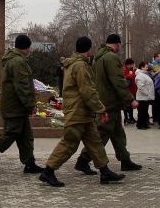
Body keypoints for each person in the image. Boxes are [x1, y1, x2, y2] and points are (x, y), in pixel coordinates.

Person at [40, 37, 125, 187]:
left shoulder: (73, 64)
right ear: (89, 50)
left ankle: (105, 172)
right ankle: (48, 171)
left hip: (83, 113)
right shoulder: (80, 66)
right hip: (77, 111)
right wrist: (100, 108)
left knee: (95, 143)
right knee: (69, 143)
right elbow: (88, 91)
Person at [75, 34, 141, 174]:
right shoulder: (111, 57)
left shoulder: (98, 57)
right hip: (109, 103)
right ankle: (83, 159)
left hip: (106, 101)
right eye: (120, 45)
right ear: (117, 44)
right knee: (101, 134)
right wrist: (130, 99)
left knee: (118, 134)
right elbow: (118, 81)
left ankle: (125, 160)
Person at [0, 34, 43, 175]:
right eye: (29, 47)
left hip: (17, 106)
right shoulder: (18, 62)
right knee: (10, 135)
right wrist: (30, 104)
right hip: (15, 106)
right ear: (26, 47)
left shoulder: (15, 60)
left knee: (26, 136)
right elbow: (22, 86)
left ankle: (29, 163)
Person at [135, 61, 155, 130]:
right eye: (146, 67)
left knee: (145, 111)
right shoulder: (139, 75)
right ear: (142, 67)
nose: (147, 68)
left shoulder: (144, 74)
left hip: (145, 97)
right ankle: (140, 125)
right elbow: (141, 87)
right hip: (142, 97)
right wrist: (147, 93)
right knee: (142, 112)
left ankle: (144, 124)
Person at [122, 58, 137, 124]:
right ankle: (126, 118)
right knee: (127, 105)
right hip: (128, 90)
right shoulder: (124, 70)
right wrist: (133, 72)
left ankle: (131, 117)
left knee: (131, 105)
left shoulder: (132, 70)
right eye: (131, 64)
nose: (132, 66)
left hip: (133, 89)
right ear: (128, 65)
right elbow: (129, 77)